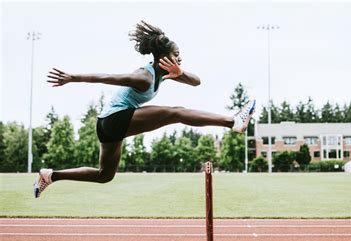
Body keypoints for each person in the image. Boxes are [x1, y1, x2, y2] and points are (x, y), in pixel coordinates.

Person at [34, 21, 255, 198]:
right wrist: (73, 77)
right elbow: (108, 77)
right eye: (177, 54)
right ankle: (233, 121)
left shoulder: (165, 74)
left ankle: (50, 176)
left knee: (104, 175)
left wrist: (180, 72)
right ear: (163, 57)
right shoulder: (145, 76)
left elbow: (197, 82)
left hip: (108, 125)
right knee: (176, 112)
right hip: (114, 119)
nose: (180, 58)